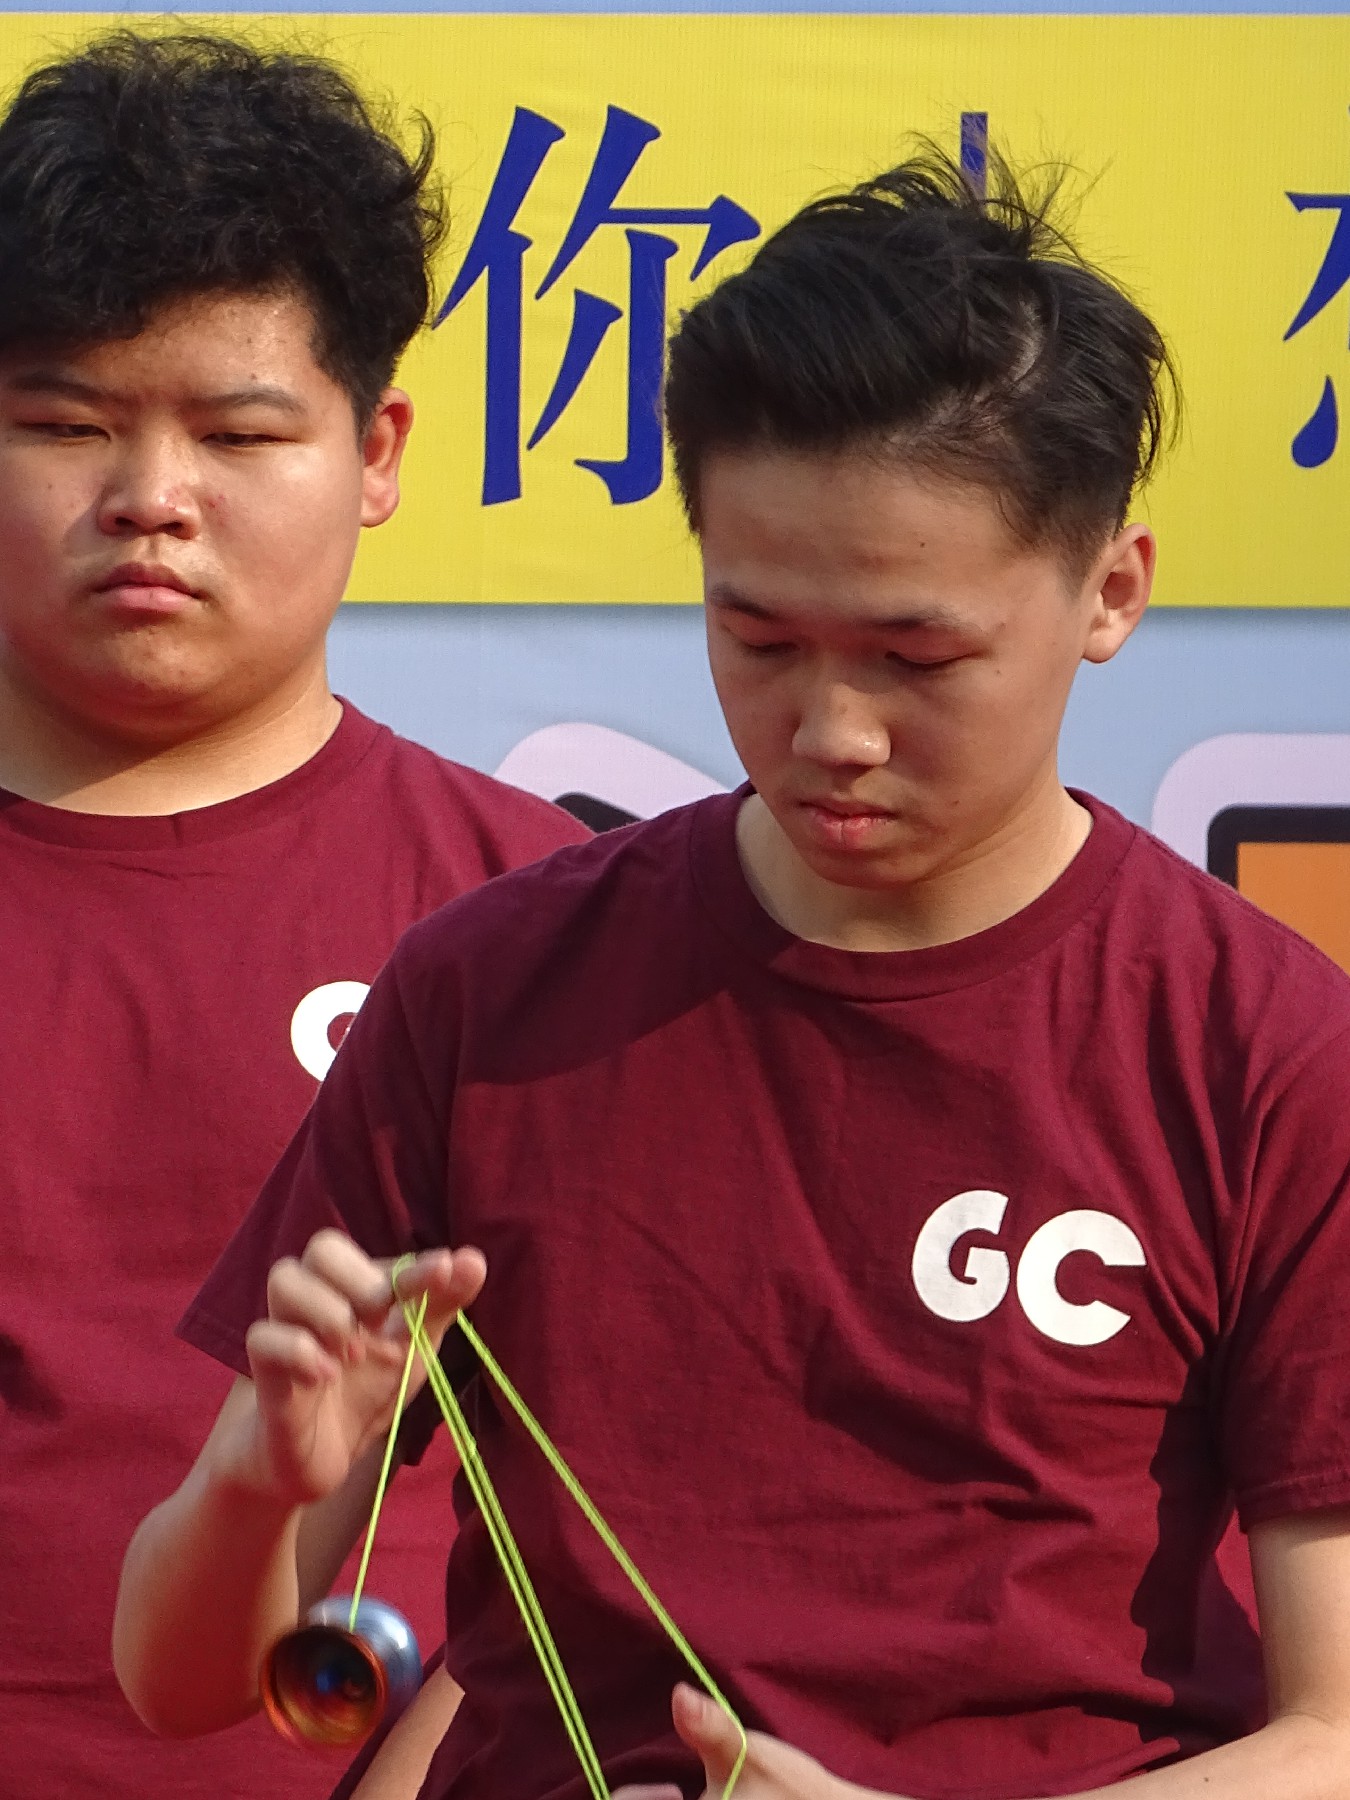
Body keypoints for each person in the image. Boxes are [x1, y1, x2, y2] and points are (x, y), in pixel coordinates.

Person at [116, 147, 1350, 1800]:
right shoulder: (494, 993)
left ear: (1107, 591)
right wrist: (262, 1483)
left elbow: (1332, 1732)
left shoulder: (1260, 1046)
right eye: (759, 638)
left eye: (916, 656)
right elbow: (180, 1680)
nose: (832, 730)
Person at [0, 29, 588, 1800]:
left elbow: (643, 1496)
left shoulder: (547, 926)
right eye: (63, 426)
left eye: (239, 432)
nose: (150, 500)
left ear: (376, 448)